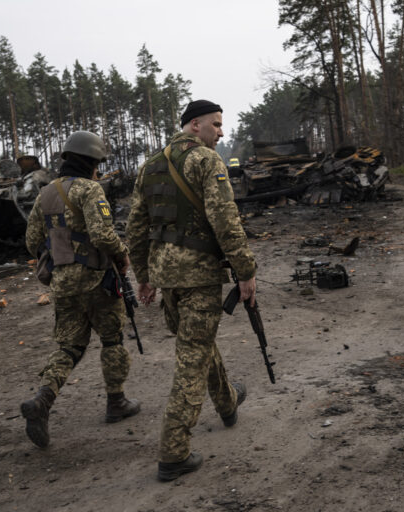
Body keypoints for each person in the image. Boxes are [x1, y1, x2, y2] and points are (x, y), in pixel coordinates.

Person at [126, 100, 257, 481]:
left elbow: (136, 226)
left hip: (168, 278)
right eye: (216, 125)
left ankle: (227, 401)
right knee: (191, 361)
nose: (221, 132)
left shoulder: (150, 165)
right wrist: (246, 270)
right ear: (194, 126)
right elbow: (225, 220)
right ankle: (173, 452)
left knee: (195, 344)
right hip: (199, 277)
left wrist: (145, 275)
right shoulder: (206, 161)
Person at [20, 130, 140, 450]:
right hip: (97, 279)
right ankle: (116, 403)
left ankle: (42, 401)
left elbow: (32, 243)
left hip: (61, 283)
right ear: (91, 163)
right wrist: (123, 254)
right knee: (112, 339)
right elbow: (102, 235)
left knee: (69, 347)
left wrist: (61, 253)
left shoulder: (45, 193)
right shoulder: (91, 190)